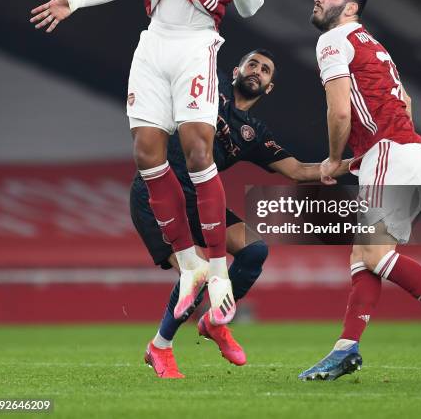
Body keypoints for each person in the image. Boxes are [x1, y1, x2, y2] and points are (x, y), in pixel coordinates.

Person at [30, 0, 269, 326]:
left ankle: (219, 271)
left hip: (197, 44)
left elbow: (252, 6)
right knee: (146, 154)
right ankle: (190, 267)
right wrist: (75, 0)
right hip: (153, 44)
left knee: (199, 153)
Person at [298, 0, 421, 381]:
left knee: (373, 255)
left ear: (350, 8)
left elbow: (341, 113)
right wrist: (363, 159)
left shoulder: (333, 41)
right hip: (410, 152)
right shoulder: (373, 45)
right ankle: (346, 349)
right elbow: (406, 102)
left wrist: (334, 159)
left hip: (392, 154)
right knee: (362, 257)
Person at [131, 49, 322, 378]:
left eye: (265, 70)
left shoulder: (254, 133)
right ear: (235, 70)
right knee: (197, 274)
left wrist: (349, 163)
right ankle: (160, 346)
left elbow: (299, 171)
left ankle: (214, 320)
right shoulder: (208, 85)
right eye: (252, 64)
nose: (257, 71)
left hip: (200, 201)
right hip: (156, 195)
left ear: (269, 87)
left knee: (255, 249)